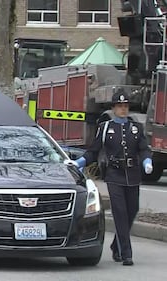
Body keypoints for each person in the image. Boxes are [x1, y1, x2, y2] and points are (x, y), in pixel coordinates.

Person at [73, 90, 153, 266]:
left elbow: (143, 148)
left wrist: (147, 161)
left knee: (132, 210)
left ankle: (116, 245)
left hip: (132, 175)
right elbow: (94, 151)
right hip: (114, 175)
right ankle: (126, 253)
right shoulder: (106, 128)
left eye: (125, 106)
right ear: (113, 108)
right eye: (119, 106)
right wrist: (80, 162)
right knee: (120, 213)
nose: (123, 109)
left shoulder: (135, 127)